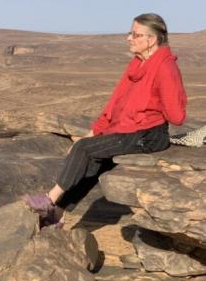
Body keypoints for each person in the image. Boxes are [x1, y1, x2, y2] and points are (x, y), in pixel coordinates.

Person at [25, 13, 187, 227]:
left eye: (135, 34)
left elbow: (177, 116)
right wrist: (92, 133)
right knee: (91, 160)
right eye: (130, 33)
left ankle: (49, 200)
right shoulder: (136, 65)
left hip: (149, 135)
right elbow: (114, 106)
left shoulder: (165, 68)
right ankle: (58, 213)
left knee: (84, 149)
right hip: (129, 130)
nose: (128, 38)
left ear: (151, 39)